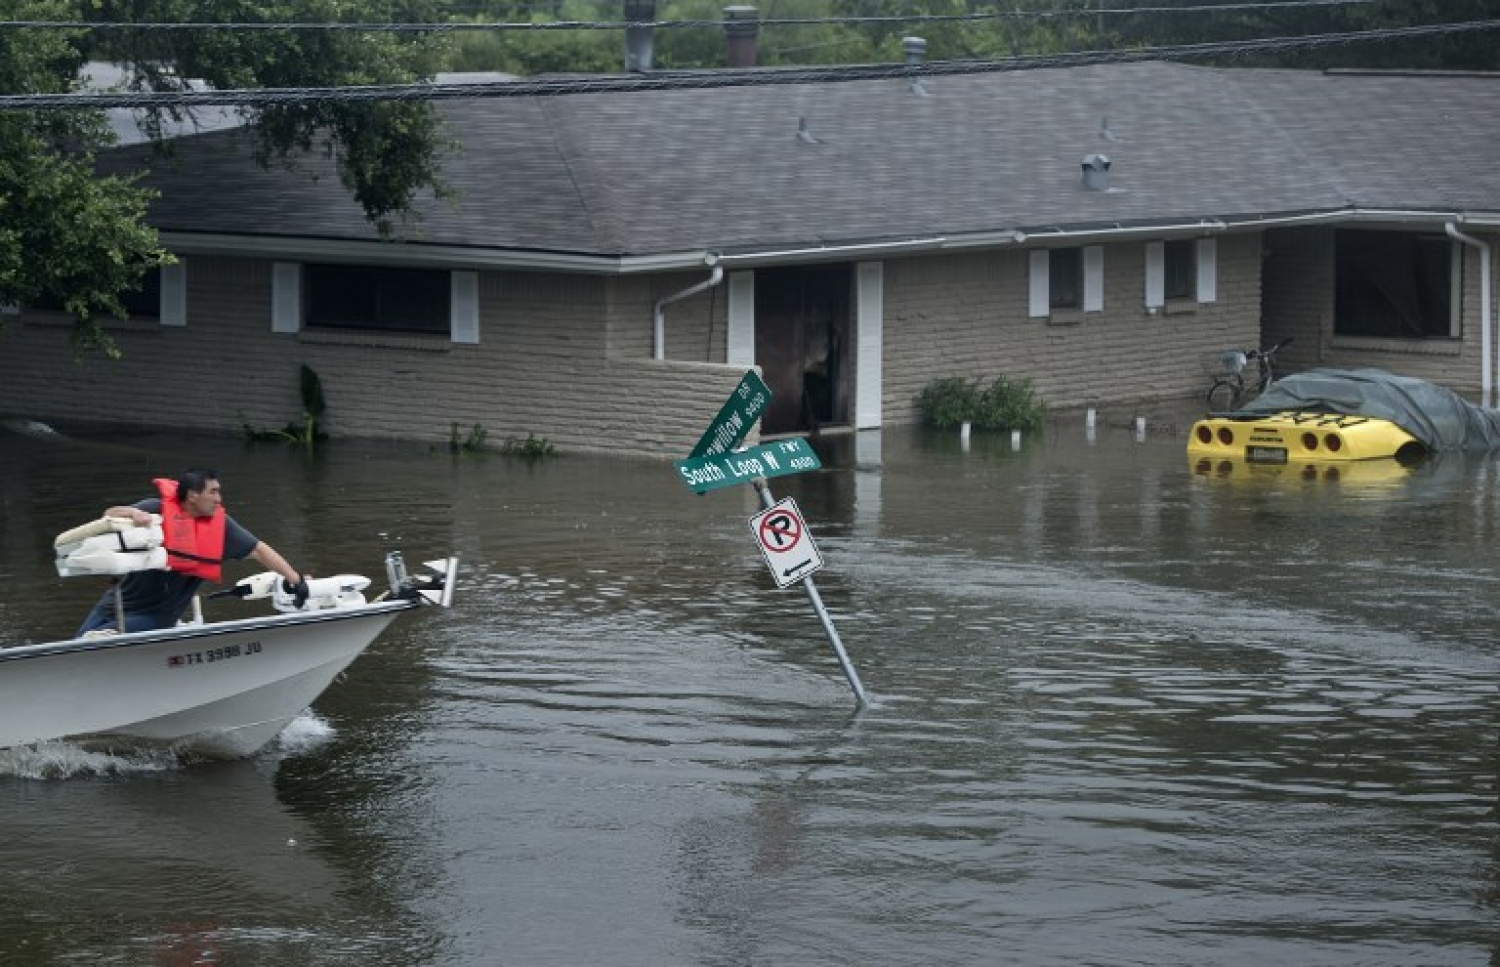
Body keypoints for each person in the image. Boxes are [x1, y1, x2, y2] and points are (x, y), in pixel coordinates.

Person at [75, 469, 309, 636]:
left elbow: (259, 550)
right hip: (114, 604)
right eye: (213, 492)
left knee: (94, 642)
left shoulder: (222, 527)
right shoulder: (155, 509)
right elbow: (110, 513)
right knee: (76, 648)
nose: (219, 499)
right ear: (193, 495)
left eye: (219, 492)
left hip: (156, 616)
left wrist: (296, 580)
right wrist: (133, 514)